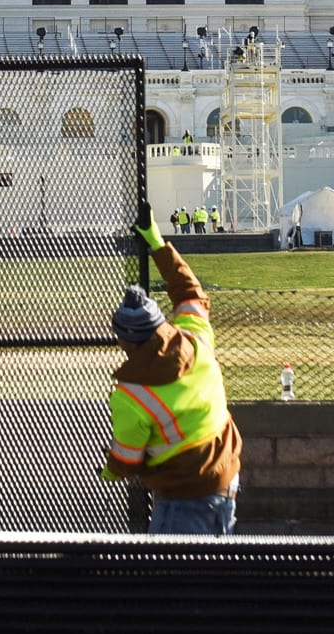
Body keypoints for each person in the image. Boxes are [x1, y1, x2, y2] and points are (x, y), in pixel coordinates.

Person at [103, 215, 241, 533]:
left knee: (171, 578)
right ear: (159, 325)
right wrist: (158, 244)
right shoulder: (195, 339)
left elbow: (126, 458)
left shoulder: (131, 394)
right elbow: (189, 292)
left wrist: (108, 471)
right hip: (227, 479)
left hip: (184, 496)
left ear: (124, 340)